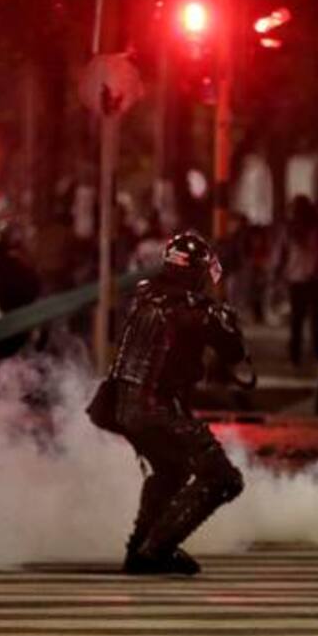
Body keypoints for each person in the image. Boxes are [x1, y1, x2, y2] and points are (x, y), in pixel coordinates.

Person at [86, 231, 250, 575]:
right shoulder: (195, 310)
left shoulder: (145, 295)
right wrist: (225, 318)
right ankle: (157, 549)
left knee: (172, 471)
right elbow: (234, 352)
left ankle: (139, 549)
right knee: (223, 479)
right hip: (155, 409)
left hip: (122, 408)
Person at [283, 195, 318, 365]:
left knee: (297, 319)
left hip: (298, 278)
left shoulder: (292, 228)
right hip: (317, 278)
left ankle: (296, 356)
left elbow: (283, 252)